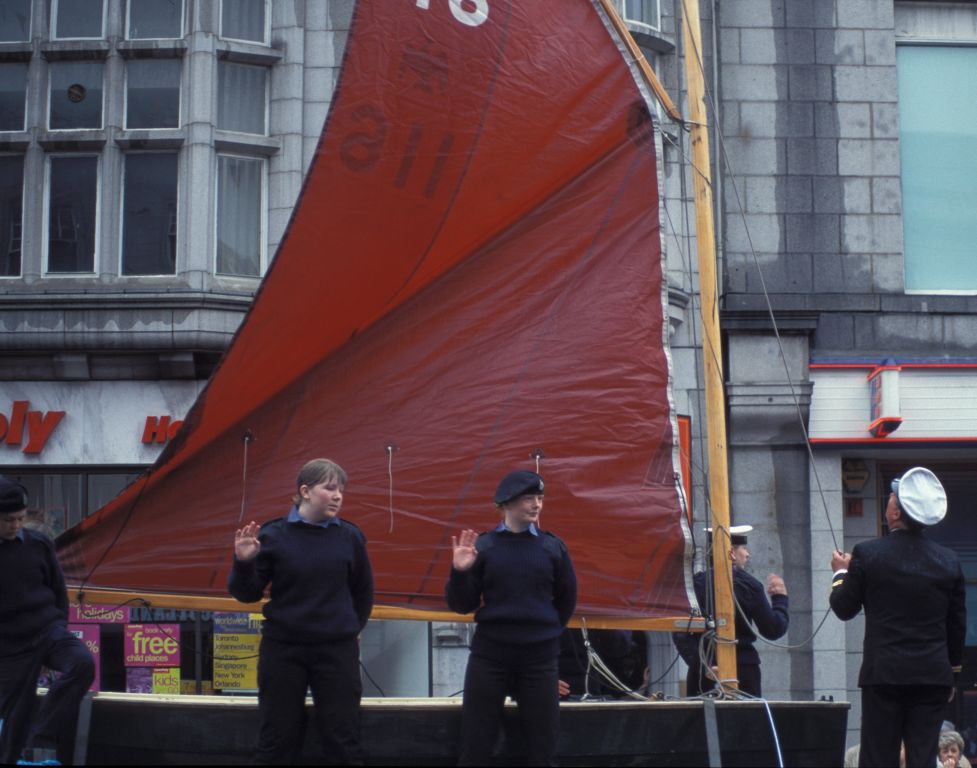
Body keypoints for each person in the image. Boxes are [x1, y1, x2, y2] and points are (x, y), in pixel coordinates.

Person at [229, 458, 374, 765]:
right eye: (330, 488)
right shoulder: (273, 535)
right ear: (305, 491)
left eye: (341, 490)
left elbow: (363, 594)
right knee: (276, 740)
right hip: (283, 650)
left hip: (336, 651)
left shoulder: (350, 537)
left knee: (343, 740)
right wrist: (244, 562)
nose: (338, 496)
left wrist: (346, 630)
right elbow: (247, 594)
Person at [830, 467, 966, 768]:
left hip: (884, 675)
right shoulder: (949, 560)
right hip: (933, 676)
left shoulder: (868, 553)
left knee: (878, 757)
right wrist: (952, 675)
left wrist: (841, 572)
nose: (889, 500)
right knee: (922, 758)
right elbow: (956, 625)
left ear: (895, 513)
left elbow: (843, 607)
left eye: (892, 497)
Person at [446, 469, 577, 766]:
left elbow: (566, 599)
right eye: (529, 498)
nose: (537, 505)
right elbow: (461, 604)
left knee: (543, 746)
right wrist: (460, 572)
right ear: (506, 503)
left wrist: (544, 634)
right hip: (490, 657)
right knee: (475, 743)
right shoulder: (485, 546)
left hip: (538, 659)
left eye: (540, 498)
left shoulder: (552, 547)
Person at [0, 477, 95, 765]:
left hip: (48, 630)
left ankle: (41, 738)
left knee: (82, 664)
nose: (16, 525)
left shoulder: (39, 543)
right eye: (8, 520)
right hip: (9, 647)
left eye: (20, 518)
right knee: (15, 718)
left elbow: (57, 591)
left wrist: (60, 630)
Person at [673, 525, 789, 697]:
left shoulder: (695, 585)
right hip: (743, 669)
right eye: (743, 548)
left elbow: (680, 633)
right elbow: (773, 629)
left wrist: (702, 665)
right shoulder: (750, 586)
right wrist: (780, 598)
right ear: (731, 553)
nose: (747, 554)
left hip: (703, 672)